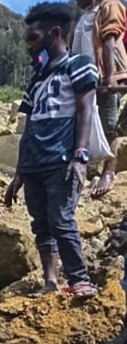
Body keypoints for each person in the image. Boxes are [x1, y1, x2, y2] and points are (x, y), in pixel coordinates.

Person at [4, 2, 99, 300]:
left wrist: (80, 154)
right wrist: (18, 174)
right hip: (34, 163)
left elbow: (86, 109)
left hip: (60, 161)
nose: (29, 47)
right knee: (41, 224)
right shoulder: (37, 81)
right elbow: (27, 129)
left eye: (33, 38)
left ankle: (79, 278)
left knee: (61, 220)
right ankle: (50, 280)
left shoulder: (79, 66)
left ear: (54, 33)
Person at [90, 0, 127, 197]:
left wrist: (110, 76)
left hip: (109, 75)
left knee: (111, 125)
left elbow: (110, 39)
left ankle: (109, 172)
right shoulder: (91, 13)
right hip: (97, 76)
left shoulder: (110, 5)